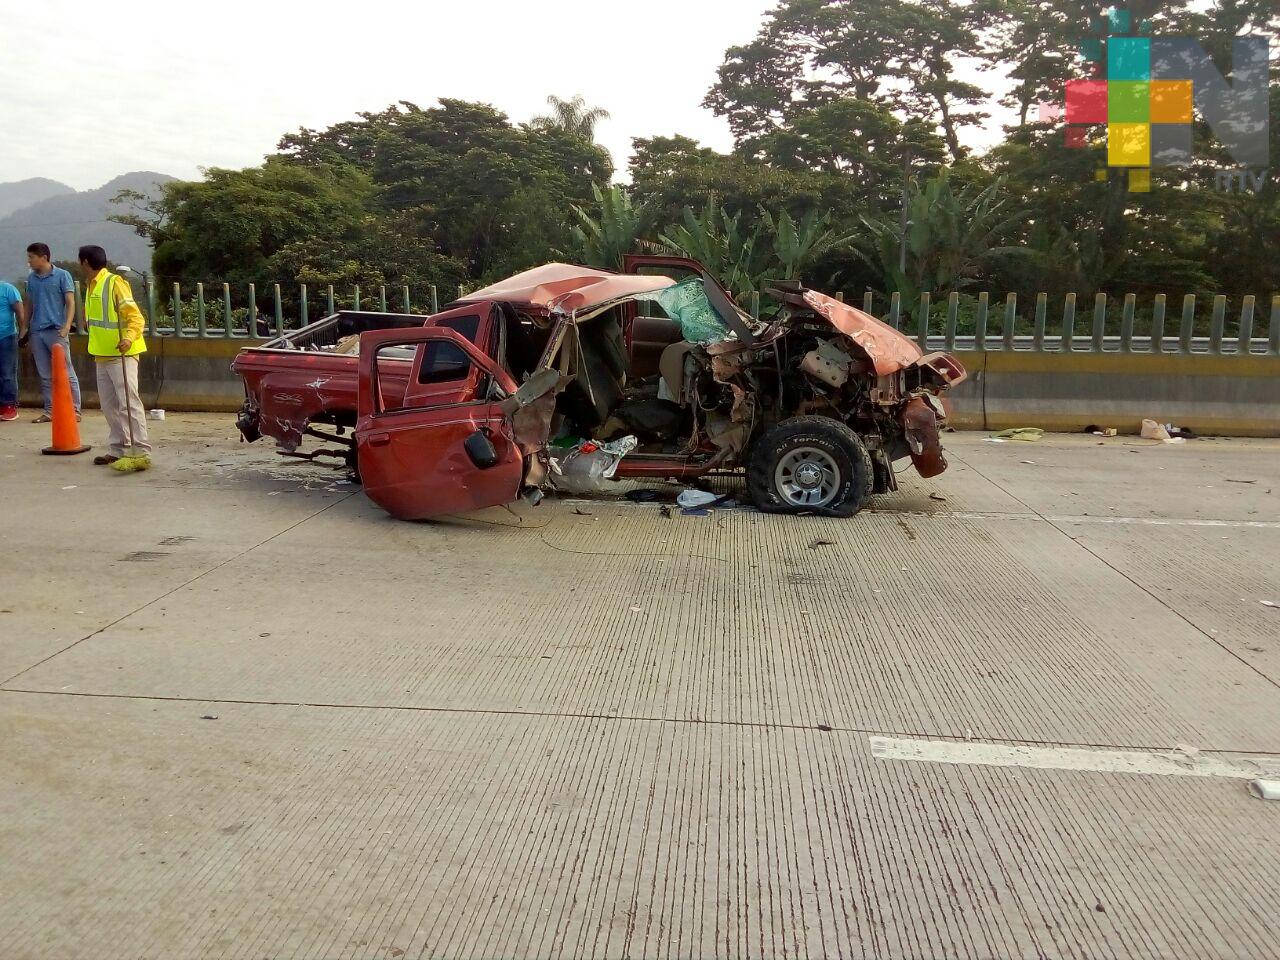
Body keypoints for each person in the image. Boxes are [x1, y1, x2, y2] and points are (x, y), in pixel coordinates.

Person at [79, 245, 151, 466]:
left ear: (84, 262)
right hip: (102, 354)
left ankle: (141, 451)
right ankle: (118, 448)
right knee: (109, 406)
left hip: (123, 354)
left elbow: (135, 318)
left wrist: (128, 338)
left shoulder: (114, 283)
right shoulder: (91, 285)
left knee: (129, 403)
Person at [25, 242, 81, 423]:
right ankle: (50, 410)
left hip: (56, 330)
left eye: (32, 257)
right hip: (37, 331)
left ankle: (75, 409)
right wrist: (25, 328)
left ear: (44, 257)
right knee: (45, 373)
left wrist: (67, 325)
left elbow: (71, 302)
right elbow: (29, 304)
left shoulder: (62, 275)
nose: (29, 261)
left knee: (66, 370)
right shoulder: (32, 279)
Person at [0, 278, 25, 421]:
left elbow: (20, 312)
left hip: (6, 336)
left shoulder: (8, 289)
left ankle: (9, 406)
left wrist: (22, 333)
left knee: (7, 373)